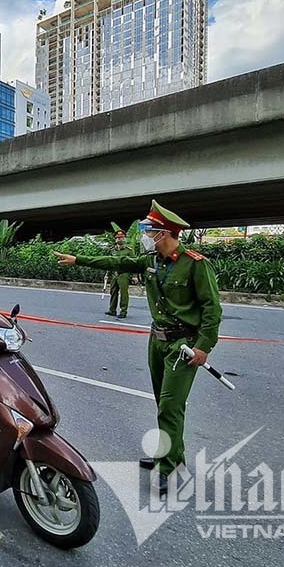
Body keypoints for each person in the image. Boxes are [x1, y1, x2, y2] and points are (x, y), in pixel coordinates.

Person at [54, 200, 222, 493]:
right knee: (163, 402)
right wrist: (78, 259)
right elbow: (117, 262)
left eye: (149, 230)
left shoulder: (195, 264)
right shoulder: (151, 260)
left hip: (183, 346)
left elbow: (212, 309)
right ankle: (172, 456)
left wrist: (204, 346)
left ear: (164, 233)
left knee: (169, 407)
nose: (144, 234)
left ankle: (168, 469)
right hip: (156, 341)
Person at [106, 229, 133, 319]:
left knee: (124, 293)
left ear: (124, 238)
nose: (119, 239)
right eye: (117, 238)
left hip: (124, 274)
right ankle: (112, 310)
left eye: (121, 238)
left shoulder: (129, 250)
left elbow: (135, 263)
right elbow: (109, 262)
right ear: (115, 239)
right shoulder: (113, 250)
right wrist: (107, 274)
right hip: (114, 274)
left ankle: (123, 311)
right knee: (113, 292)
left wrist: (135, 276)